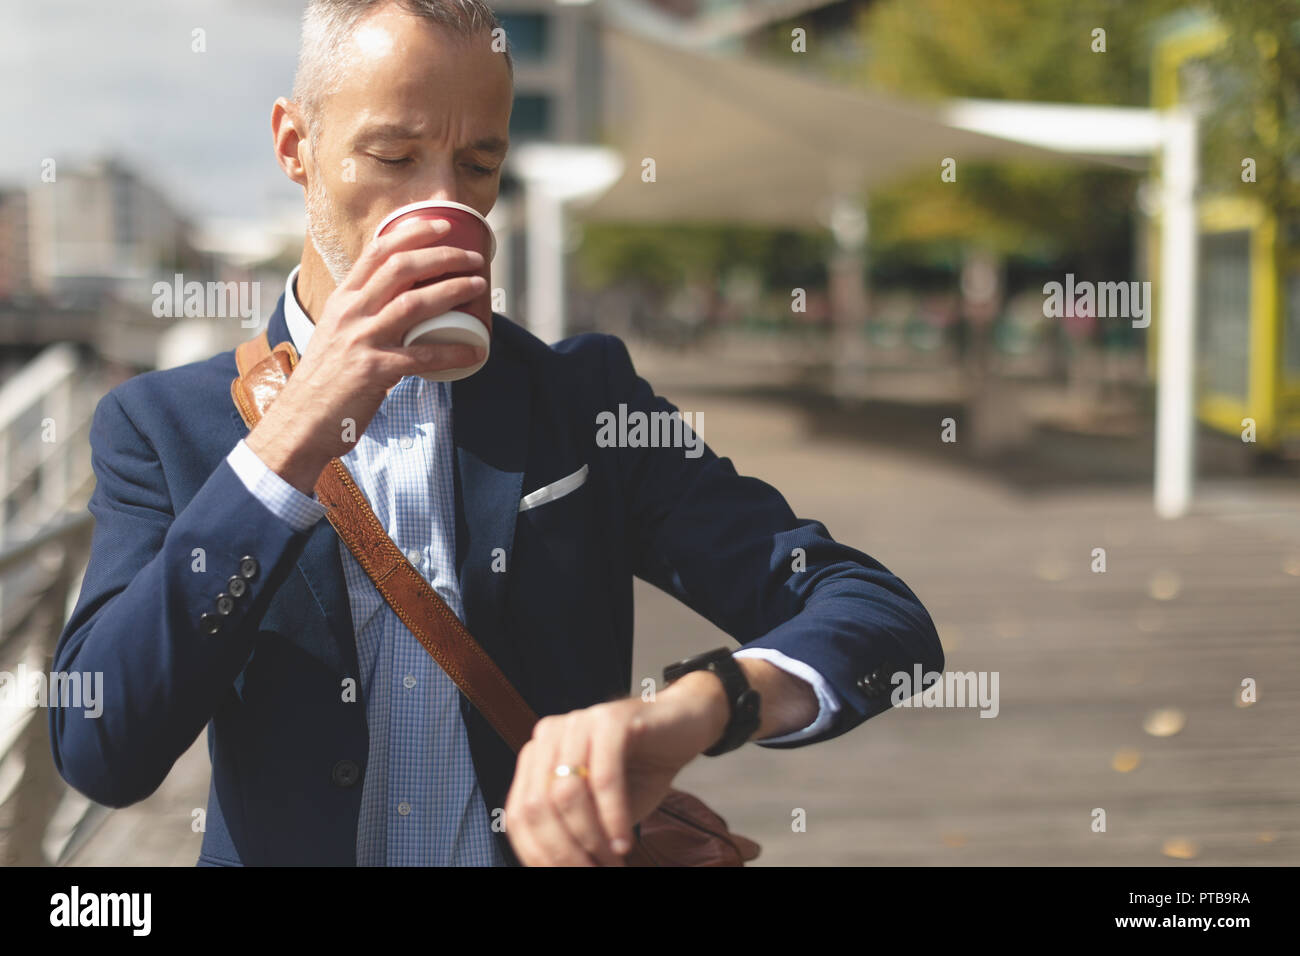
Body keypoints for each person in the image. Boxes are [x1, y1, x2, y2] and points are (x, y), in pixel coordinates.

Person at [49, 0, 943, 866]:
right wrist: (288, 445)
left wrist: (705, 704)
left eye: (478, 167)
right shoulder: (165, 424)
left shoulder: (579, 399)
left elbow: (878, 616)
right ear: (297, 146)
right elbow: (100, 749)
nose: (441, 202)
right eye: (393, 154)